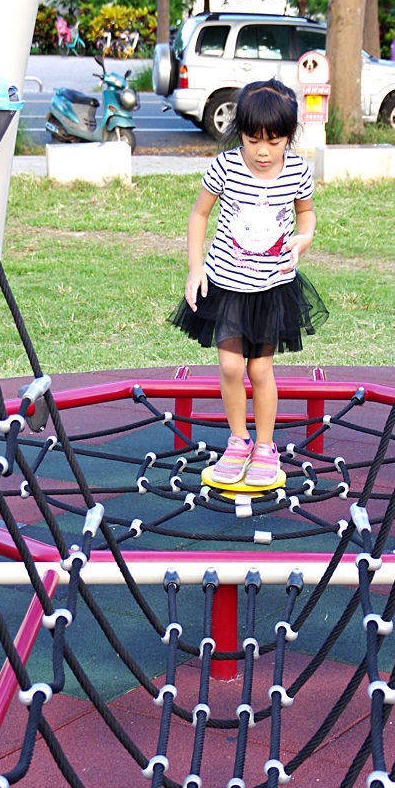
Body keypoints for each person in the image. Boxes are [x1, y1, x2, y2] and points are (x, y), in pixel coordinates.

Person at [168, 79, 328, 487]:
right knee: (229, 365)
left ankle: (264, 445)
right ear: (239, 131)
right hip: (227, 283)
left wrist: (304, 237)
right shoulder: (225, 167)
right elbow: (199, 215)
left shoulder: (296, 170)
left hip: (272, 288)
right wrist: (195, 267)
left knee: (260, 369)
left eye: (273, 142)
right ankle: (237, 440)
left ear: (288, 138)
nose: (262, 150)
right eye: (253, 139)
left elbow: (306, 214)